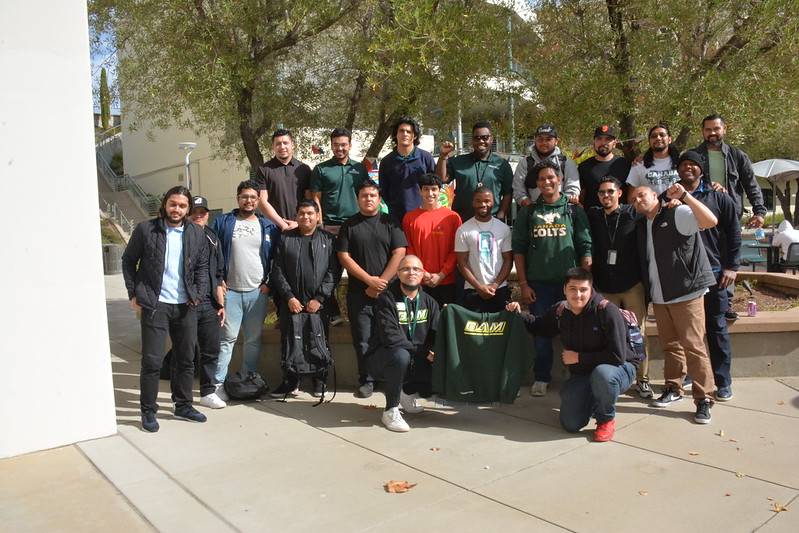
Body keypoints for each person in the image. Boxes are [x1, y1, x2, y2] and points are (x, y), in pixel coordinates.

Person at [507, 268, 639, 442]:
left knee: (603, 375)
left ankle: (606, 419)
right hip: (585, 373)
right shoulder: (561, 311)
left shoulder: (607, 311)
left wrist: (579, 358)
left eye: (583, 289)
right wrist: (518, 314)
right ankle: (594, 400)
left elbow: (617, 355)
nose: (578, 295)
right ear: (564, 290)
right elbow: (539, 326)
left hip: (619, 369)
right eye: (573, 289)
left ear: (591, 289)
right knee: (570, 423)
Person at [122, 186, 209, 432]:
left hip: (186, 305)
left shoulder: (196, 232)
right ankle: (148, 411)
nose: (177, 209)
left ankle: (183, 405)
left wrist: (199, 294)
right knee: (152, 361)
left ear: (188, 208)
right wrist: (133, 293)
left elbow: (202, 266)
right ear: (165, 204)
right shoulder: (146, 229)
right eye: (173, 204)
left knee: (185, 359)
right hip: (154, 304)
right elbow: (128, 261)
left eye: (182, 206)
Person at [630, 183, 718, 424]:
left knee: (693, 346)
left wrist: (686, 197)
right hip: (660, 295)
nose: (638, 200)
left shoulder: (676, 212)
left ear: (654, 195)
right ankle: (673, 388)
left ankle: (704, 399)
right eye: (634, 198)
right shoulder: (642, 224)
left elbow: (710, 221)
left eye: (642, 195)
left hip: (686, 292)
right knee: (671, 345)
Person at [512, 160, 592, 397]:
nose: (547, 182)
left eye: (551, 177)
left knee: (576, 333)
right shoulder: (529, 212)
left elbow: (585, 245)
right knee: (541, 333)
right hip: (539, 285)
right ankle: (542, 376)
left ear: (560, 180)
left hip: (571, 285)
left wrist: (585, 281)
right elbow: (519, 250)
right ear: (536, 184)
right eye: (542, 179)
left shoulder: (574, 210)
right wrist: (524, 284)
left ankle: (576, 375)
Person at [677, 151, 741, 401]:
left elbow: (734, 232)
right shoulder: (671, 197)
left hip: (714, 273)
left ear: (701, 170)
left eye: (693, 165)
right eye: (683, 165)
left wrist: (731, 266)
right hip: (684, 275)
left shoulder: (718, 197)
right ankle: (694, 373)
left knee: (716, 328)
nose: (688, 169)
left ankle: (723, 380)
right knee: (690, 331)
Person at [211, 180, 281, 400]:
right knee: (227, 339)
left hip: (256, 292)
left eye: (253, 197)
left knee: (253, 339)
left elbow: (275, 259)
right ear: (238, 198)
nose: (249, 200)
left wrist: (267, 284)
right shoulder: (223, 222)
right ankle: (217, 384)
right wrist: (219, 281)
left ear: (258, 200)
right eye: (244, 196)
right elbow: (213, 255)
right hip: (230, 291)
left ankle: (247, 378)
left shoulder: (267, 226)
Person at [337, 180, 407, 398]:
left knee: (391, 337)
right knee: (363, 339)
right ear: (358, 199)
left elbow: (400, 253)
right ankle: (367, 380)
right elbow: (343, 257)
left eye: (372, 195)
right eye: (364, 196)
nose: (368, 199)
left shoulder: (390, 223)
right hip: (360, 293)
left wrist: (381, 283)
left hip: (389, 294)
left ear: (379, 199)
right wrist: (369, 281)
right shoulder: (349, 225)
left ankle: (391, 378)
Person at [586, 177, 651, 398]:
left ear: (620, 193)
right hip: (605, 286)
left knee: (637, 333)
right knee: (608, 333)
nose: (606, 196)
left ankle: (642, 379)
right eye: (602, 192)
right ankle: (611, 377)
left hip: (632, 284)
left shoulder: (633, 213)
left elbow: (654, 208)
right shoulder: (594, 215)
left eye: (610, 192)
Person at [269, 200, 340, 397]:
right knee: (289, 340)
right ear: (296, 216)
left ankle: (320, 380)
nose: (306, 217)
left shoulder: (328, 239)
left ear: (318, 216)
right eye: (301, 213)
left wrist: (320, 298)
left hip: (319, 303)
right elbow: (277, 270)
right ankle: (290, 381)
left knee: (319, 339)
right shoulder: (286, 238)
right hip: (291, 302)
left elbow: (334, 271)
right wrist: (289, 297)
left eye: (310, 213)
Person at [369, 255, 439, 432]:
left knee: (439, 358)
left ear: (423, 274)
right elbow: (390, 338)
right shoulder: (387, 299)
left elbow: (436, 334)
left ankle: (406, 393)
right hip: (385, 357)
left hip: (416, 356)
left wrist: (434, 351)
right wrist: (422, 352)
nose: (411, 272)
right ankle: (390, 410)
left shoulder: (430, 302)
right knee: (401, 355)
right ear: (398, 274)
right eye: (406, 269)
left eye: (416, 269)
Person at [308, 127, 367, 325]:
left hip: (354, 226)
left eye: (343, 145)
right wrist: (320, 224)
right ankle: (332, 313)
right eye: (336, 145)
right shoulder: (321, 169)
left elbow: (365, 195)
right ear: (331, 145)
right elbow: (316, 198)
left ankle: (357, 312)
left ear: (349, 145)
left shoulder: (359, 169)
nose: (339, 148)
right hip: (329, 227)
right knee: (328, 271)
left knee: (356, 270)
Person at [693, 114, 766, 227]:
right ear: (703, 131)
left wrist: (759, 213)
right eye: (708, 129)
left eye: (716, 129)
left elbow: (751, 186)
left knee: (732, 245)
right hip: (701, 215)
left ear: (724, 129)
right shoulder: (693, 156)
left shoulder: (738, 156)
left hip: (731, 216)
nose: (712, 133)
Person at [188, 196, 227, 409]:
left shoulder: (212, 236)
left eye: (202, 211)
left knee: (211, 349)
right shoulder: (181, 235)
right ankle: (182, 396)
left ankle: (207, 392)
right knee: (185, 352)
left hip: (209, 303)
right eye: (195, 211)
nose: (199, 215)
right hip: (187, 302)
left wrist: (221, 306)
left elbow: (218, 274)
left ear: (208, 214)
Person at [402, 173, 461, 306]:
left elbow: (456, 250)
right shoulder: (409, 218)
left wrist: (442, 274)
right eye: (426, 189)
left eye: (434, 189)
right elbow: (409, 249)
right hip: (420, 280)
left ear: (440, 191)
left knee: (445, 322)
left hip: (447, 281)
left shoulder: (452, 217)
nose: (430, 193)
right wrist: (423, 273)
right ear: (420, 190)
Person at [436, 121, 513, 222]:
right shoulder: (458, 161)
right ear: (472, 140)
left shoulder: (501, 164)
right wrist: (443, 156)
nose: (481, 141)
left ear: (491, 139)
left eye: (485, 137)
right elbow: (441, 179)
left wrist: (502, 213)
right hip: (463, 219)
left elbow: (508, 192)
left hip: (492, 220)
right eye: (477, 138)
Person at [454, 187, 513, 312]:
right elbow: (461, 263)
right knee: (474, 330)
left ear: (494, 202)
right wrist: (479, 287)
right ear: (472, 202)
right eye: (478, 201)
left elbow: (508, 260)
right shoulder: (463, 230)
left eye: (487, 201)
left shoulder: (503, 229)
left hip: (499, 289)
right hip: (472, 289)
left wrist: (495, 285)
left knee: (499, 329)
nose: (483, 204)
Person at [379, 116, 436, 225]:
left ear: (414, 136)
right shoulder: (386, 162)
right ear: (396, 134)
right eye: (401, 131)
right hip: (396, 220)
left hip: (423, 216)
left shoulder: (426, 157)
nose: (405, 134)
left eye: (409, 131)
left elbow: (435, 187)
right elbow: (384, 191)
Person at [255, 128, 312, 231]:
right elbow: (262, 201)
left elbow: (309, 201)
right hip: (273, 228)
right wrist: (283, 225)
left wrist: (298, 223)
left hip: (300, 228)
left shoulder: (304, 169)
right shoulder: (263, 170)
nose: (282, 147)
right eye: (278, 144)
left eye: (285, 143)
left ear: (292, 145)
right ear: (273, 146)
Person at [513, 123, 580, 207]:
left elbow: (573, 190)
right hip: (533, 211)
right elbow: (518, 190)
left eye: (548, 139)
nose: (544, 143)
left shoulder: (566, 163)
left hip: (561, 211)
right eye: (540, 139)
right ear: (535, 140)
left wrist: (558, 205)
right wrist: (528, 204)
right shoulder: (525, 163)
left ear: (556, 141)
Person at [578, 125, 631, 209]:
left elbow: (631, 194)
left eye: (608, 139)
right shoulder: (584, 167)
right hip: (592, 219)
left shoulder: (625, 164)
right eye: (599, 139)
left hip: (620, 219)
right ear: (594, 142)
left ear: (614, 143)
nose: (603, 143)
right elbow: (581, 197)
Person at [626, 123, 680, 196]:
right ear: (649, 142)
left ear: (669, 139)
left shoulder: (681, 163)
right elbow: (631, 197)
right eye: (654, 136)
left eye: (662, 135)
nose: (658, 138)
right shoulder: (638, 165)